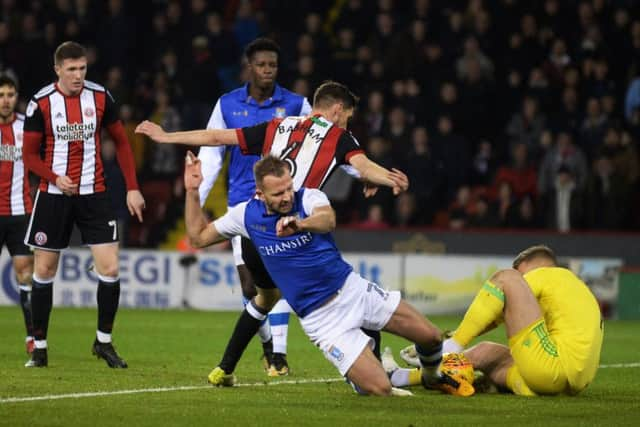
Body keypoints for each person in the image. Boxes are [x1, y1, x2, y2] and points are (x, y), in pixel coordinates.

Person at [136, 80, 409, 385]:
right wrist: (388, 179)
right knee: (344, 294)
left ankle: (226, 368)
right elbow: (364, 165)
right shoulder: (338, 137)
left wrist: (165, 136)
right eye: (347, 118)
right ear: (336, 110)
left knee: (264, 299)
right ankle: (368, 372)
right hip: (290, 231)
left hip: (254, 226)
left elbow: (216, 136)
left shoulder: (276, 126)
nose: (347, 125)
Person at [183, 153, 473, 397]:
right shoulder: (244, 215)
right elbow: (197, 238)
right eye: (278, 193)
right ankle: (361, 371)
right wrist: (193, 192)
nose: (286, 197)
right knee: (380, 389)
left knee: (432, 337)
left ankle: (432, 376)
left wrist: (300, 223)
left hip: (353, 290)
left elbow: (328, 219)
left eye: (288, 188)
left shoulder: (307, 198)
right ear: (260, 193)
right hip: (322, 320)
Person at [22, 41, 145, 368]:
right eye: (72, 69)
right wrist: (54, 177)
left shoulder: (101, 96)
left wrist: (132, 188)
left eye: (83, 69)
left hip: (95, 194)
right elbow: (29, 156)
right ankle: (41, 347)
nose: (78, 76)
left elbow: (122, 143)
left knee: (111, 268)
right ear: (58, 70)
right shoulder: (41, 104)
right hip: (52, 196)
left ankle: (103, 342)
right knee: (44, 270)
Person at [198, 37, 312, 376]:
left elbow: (322, 140)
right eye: (261, 65)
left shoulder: (295, 104)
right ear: (249, 67)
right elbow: (212, 151)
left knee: (278, 278)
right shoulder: (228, 105)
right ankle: (267, 346)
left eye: (273, 65)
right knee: (250, 286)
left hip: (280, 206)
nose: (267, 70)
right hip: (242, 206)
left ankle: (278, 355)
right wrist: (198, 197)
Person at [394, 245, 604, 396]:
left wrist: (448, 343)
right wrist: (443, 338)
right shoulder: (572, 289)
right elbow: (497, 316)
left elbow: (499, 304)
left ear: (528, 265)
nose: (521, 285)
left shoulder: (546, 274)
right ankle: (401, 377)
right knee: (485, 353)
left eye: (522, 272)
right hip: (566, 386)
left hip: (551, 367)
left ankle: (447, 350)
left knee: (506, 278)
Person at [0, 75, 35, 358]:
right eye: (1, 95)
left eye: (10, 94)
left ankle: (33, 338)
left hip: (20, 212)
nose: (6, 100)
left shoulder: (27, 127)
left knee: (25, 274)